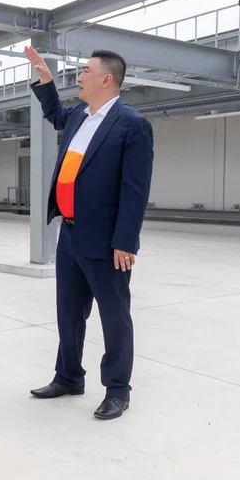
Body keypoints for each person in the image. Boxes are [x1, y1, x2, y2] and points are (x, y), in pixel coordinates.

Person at [24, 46, 154, 420]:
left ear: (106, 79)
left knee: (114, 317)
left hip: (106, 241)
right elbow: (54, 113)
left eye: (84, 71)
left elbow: (135, 189)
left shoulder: (132, 124)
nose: (78, 77)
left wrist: (125, 242)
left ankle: (117, 389)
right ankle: (68, 377)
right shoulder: (81, 115)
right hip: (70, 234)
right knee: (68, 312)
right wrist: (45, 80)